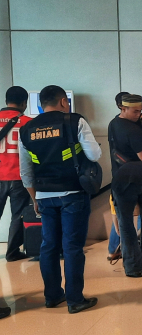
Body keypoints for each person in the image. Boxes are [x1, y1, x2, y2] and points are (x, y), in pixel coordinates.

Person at [19, 85, 101, 313]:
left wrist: (35, 198)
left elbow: (25, 172)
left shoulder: (26, 129)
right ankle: (75, 300)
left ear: (40, 104)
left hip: (44, 197)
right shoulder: (74, 121)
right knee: (72, 247)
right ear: (63, 102)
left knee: (49, 247)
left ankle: (53, 296)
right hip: (72, 194)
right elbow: (94, 154)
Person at [107, 94, 142, 274]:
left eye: (140, 110)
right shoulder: (133, 130)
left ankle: (133, 267)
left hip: (120, 180)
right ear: (123, 108)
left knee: (126, 223)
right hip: (140, 181)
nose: (139, 114)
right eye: (135, 111)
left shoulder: (113, 124)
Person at [0, 86, 32, 261]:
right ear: (24, 103)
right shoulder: (28, 122)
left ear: (6, 101)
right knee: (17, 215)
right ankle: (12, 252)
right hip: (19, 176)